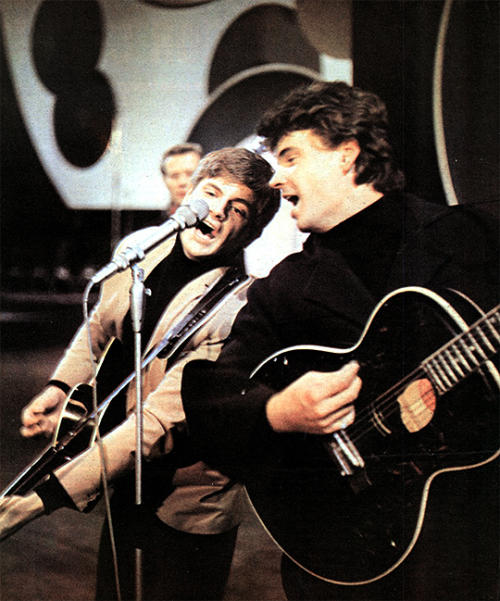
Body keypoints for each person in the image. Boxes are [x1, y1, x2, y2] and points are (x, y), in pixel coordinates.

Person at [181, 81, 500, 600]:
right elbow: (212, 395)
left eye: (289, 157)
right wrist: (277, 410)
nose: (276, 177)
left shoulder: (468, 235)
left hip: (470, 544)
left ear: (347, 156)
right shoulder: (283, 287)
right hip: (340, 559)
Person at [0, 147, 280, 601]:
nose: (218, 212)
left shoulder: (239, 309)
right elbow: (97, 329)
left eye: (238, 209)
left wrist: (41, 500)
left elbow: (155, 425)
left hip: (187, 507)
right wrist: (60, 386)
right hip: (126, 484)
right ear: (189, 196)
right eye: (211, 194)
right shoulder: (140, 253)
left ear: (249, 232)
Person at [160, 143, 204, 217]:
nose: (182, 182)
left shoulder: (223, 224)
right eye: (174, 176)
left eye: (190, 174)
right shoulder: (154, 227)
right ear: (164, 180)